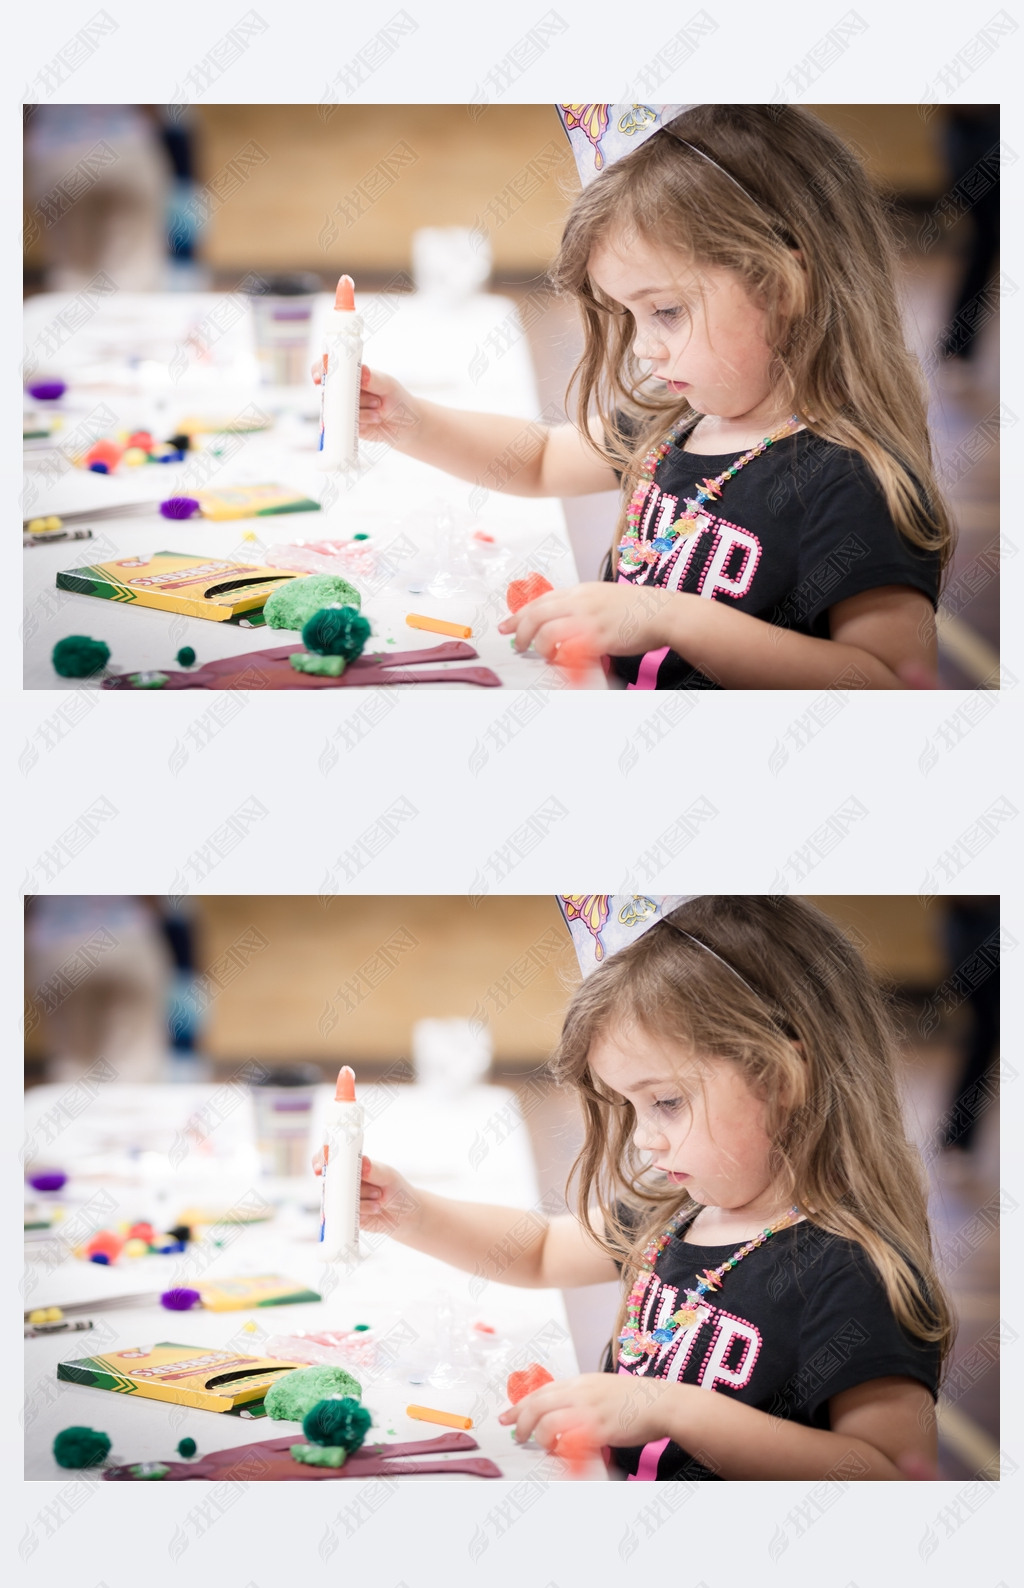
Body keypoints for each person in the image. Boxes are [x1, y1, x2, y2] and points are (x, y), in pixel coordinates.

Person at [318, 896, 953, 1479]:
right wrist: (408, 1211)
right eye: (632, 1107)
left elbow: (891, 1476)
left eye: (667, 1102)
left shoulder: (854, 1271)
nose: (644, 1139)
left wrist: (673, 1410)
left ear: (783, 1075)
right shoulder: (679, 1209)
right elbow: (539, 1250)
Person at [325, 105, 954, 688]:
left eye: (668, 311)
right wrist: (405, 418)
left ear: (784, 283)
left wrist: (670, 618)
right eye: (632, 316)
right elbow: (540, 458)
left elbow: (893, 685)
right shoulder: (680, 420)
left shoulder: (853, 479)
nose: (645, 349)